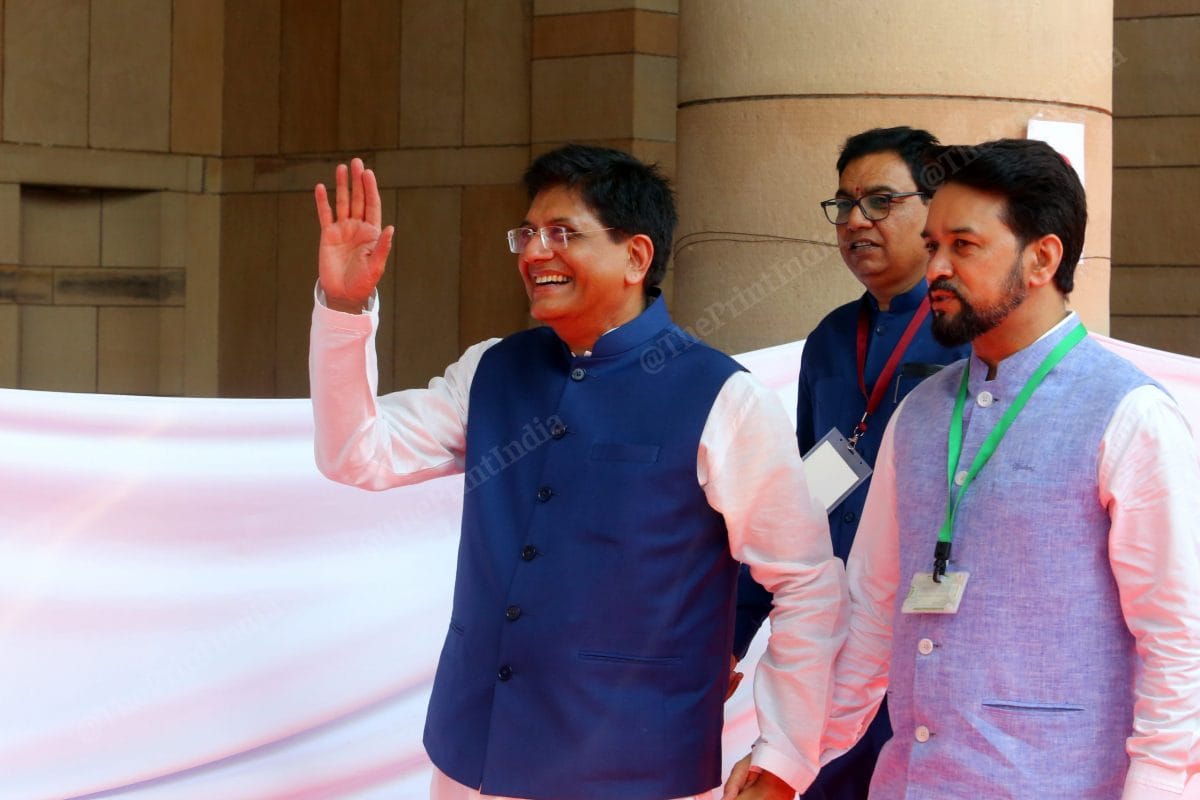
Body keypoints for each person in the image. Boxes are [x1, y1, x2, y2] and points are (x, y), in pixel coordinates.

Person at [308, 145, 848, 800]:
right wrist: (343, 306)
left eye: (563, 233)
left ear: (636, 257)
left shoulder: (723, 397)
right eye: (528, 233)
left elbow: (806, 582)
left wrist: (784, 753)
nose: (535, 252)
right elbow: (356, 454)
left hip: (636, 769)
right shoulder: (491, 369)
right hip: (472, 756)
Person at [821, 138, 1200, 798]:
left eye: (962, 246)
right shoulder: (920, 414)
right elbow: (869, 612)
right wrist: (790, 755)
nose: (934, 265)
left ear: (1041, 259)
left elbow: (1179, 641)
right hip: (910, 781)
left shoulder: (1130, 415)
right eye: (932, 243)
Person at [730, 127, 969, 799]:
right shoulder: (833, 338)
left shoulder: (967, 332)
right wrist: (735, 631)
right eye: (844, 204)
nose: (857, 221)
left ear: (935, 209)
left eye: (881, 201)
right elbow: (799, 500)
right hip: (836, 634)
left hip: (934, 636)